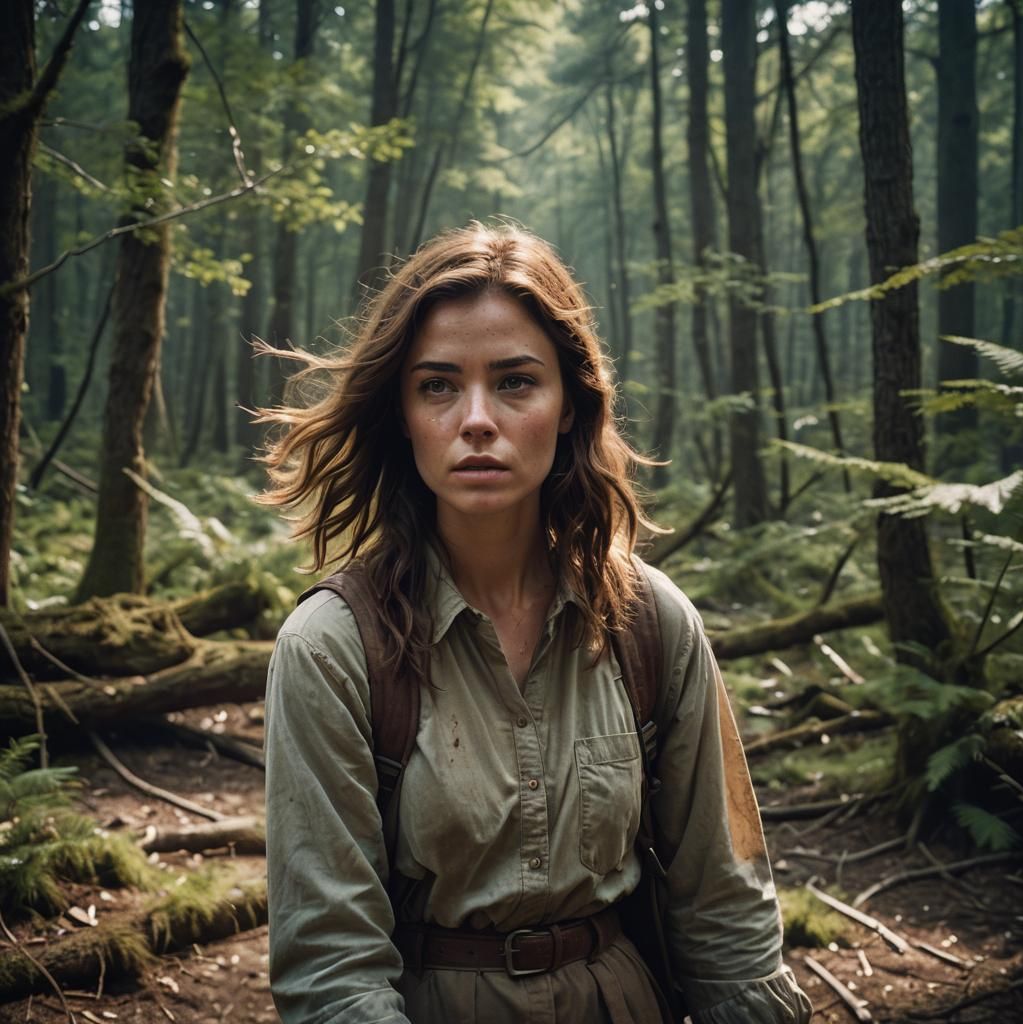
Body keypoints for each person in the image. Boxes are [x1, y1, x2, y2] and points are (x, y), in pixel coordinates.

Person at [259, 223, 812, 1024]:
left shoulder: (650, 623)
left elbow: (725, 911)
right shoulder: (334, 650)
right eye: (439, 386)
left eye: (516, 382)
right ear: (403, 414)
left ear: (568, 407)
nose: (477, 419)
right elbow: (330, 969)